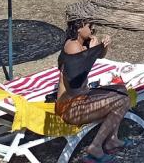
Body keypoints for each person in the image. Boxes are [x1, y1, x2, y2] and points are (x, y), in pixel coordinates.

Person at [55, 20, 131, 160]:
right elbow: (77, 75)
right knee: (122, 100)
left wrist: (103, 47)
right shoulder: (72, 46)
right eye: (89, 26)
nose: (92, 29)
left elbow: (99, 55)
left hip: (81, 98)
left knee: (122, 90)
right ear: (79, 28)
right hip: (70, 107)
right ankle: (96, 145)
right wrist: (92, 50)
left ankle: (112, 139)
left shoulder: (81, 44)